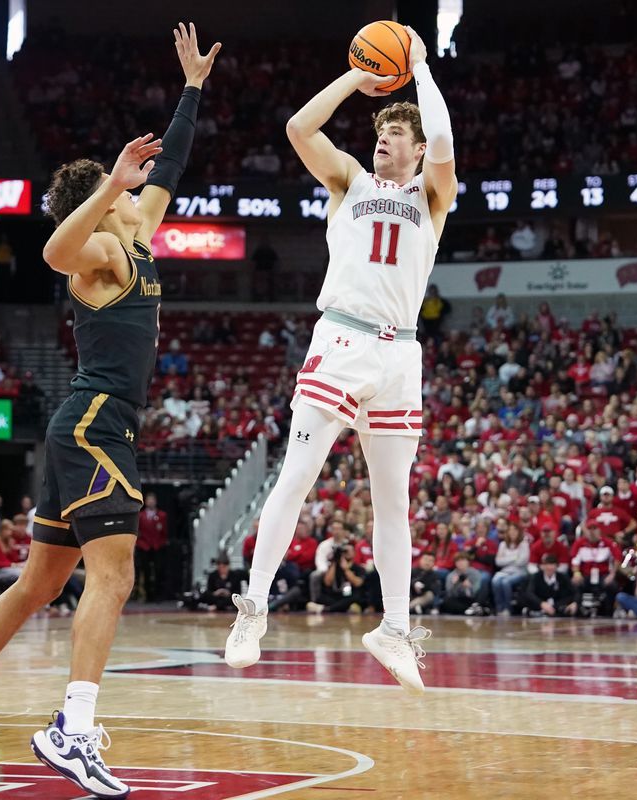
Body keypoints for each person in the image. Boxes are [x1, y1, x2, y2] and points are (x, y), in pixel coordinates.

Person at [0, 23, 220, 798]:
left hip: (84, 426)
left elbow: (171, 164)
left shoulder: (138, 234)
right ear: (100, 201)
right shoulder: (100, 252)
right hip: (96, 422)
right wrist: (111, 185)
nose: (141, 190)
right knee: (113, 577)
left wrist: (191, 91)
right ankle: (73, 730)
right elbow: (51, 251)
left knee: (41, 582)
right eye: (121, 190)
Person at [227, 26, 455, 692]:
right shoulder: (349, 179)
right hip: (343, 340)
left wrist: (419, 69)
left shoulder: (432, 196)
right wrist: (361, 78)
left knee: (393, 505)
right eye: (379, 132)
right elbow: (300, 127)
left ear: (413, 150)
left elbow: (442, 143)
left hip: (401, 354)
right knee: (296, 476)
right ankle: (254, 607)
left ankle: (392, 628)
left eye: (394, 135)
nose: (383, 139)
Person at [491, 522, 529, 616]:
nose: (512, 532)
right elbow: (498, 562)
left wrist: (506, 559)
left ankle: (508, 608)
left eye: (514, 530)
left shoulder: (524, 544)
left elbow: (522, 562)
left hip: (519, 572)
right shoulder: (503, 544)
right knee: (495, 581)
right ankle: (499, 608)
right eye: (510, 530)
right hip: (505, 571)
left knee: (505, 582)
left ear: (518, 532)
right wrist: (515, 557)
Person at [135, 492, 167, 601]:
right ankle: (148, 595)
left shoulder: (162, 515)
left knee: (158, 571)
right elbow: (138, 532)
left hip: (157, 547)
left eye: (152, 500)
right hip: (144, 547)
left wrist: (161, 543)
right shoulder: (140, 515)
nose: (151, 502)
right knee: (146, 570)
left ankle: (158, 595)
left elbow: (165, 532)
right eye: (149, 500)